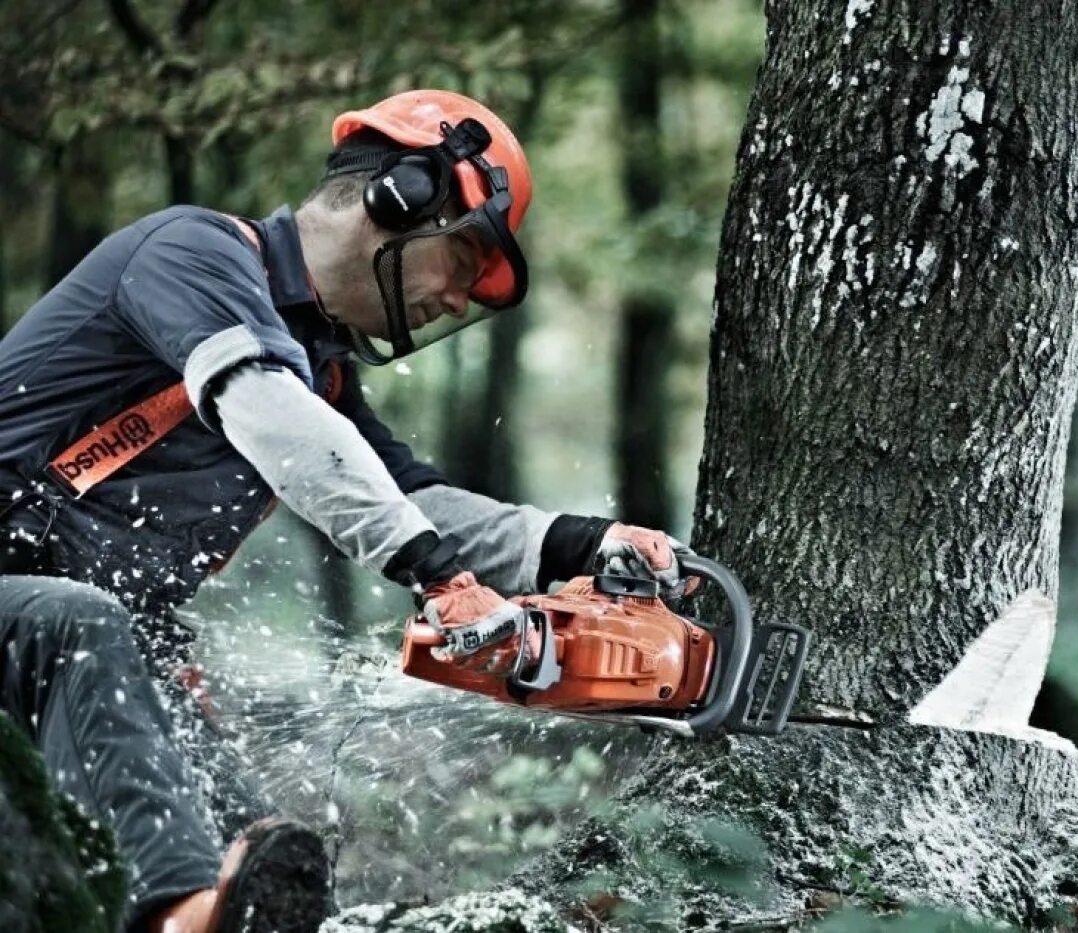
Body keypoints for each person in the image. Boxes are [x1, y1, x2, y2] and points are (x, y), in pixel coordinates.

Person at [0, 89, 692, 933]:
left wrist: (581, 543)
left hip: (81, 637)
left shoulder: (318, 371)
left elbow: (408, 496)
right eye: (464, 263)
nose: (460, 300)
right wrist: (435, 573)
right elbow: (267, 411)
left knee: (258, 839)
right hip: (44, 613)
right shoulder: (191, 255)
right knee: (82, 620)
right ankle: (177, 917)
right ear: (400, 198)